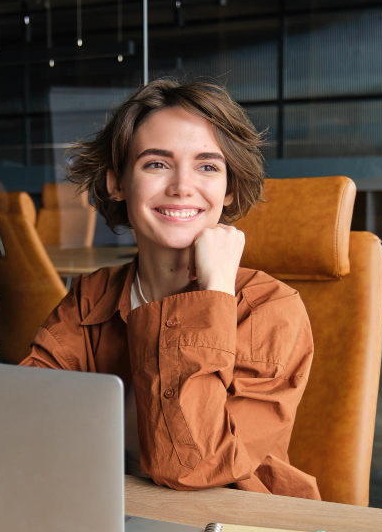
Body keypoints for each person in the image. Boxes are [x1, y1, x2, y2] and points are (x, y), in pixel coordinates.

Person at [20, 78, 320, 500]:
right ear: (117, 183)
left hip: (230, 527)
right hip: (106, 513)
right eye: (156, 164)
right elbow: (25, 422)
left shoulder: (269, 309)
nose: (182, 186)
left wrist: (213, 296)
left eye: (208, 166)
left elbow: (192, 468)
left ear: (229, 189)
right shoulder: (93, 296)